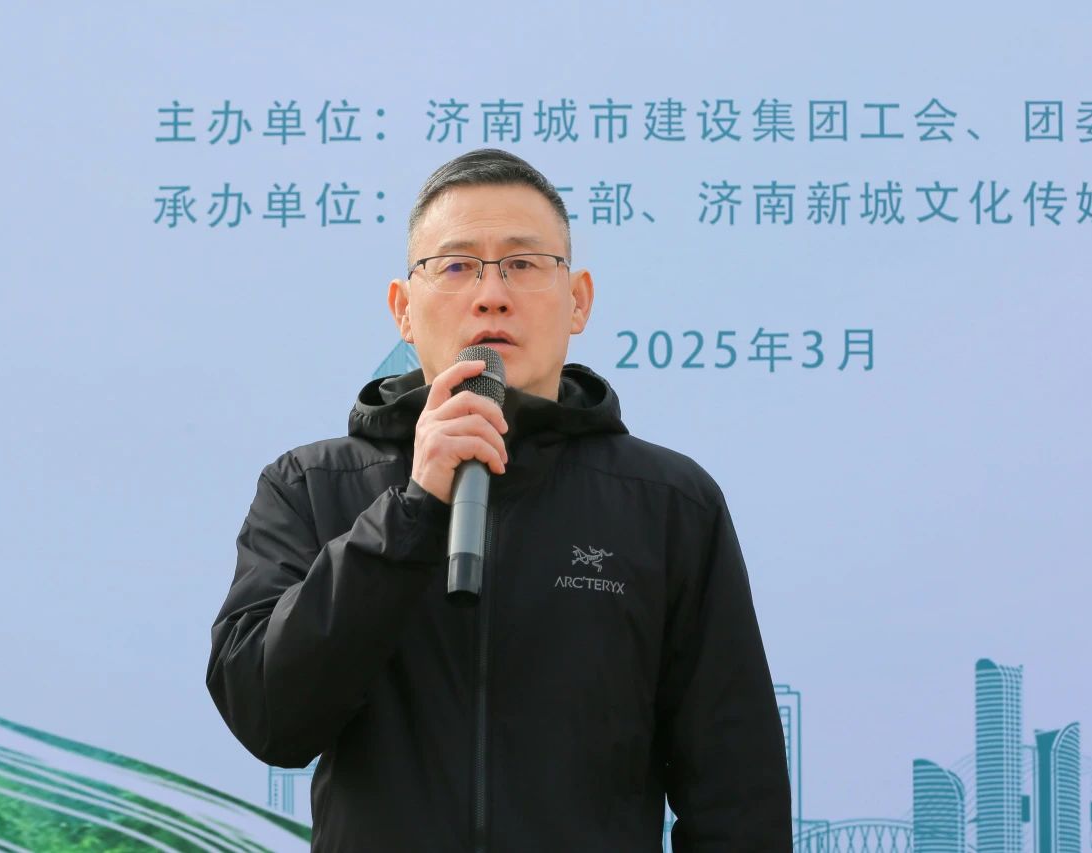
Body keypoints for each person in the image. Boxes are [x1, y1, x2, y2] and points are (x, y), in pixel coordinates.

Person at [206, 148, 791, 852]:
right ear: (403, 309)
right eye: (456, 266)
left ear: (578, 300)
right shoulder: (310, 486)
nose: (491, 294)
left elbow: (736, 797)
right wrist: (411, 510)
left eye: (522, 263)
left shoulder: (669, 505)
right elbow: (269, 717)